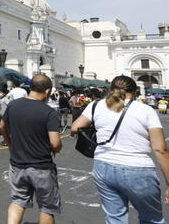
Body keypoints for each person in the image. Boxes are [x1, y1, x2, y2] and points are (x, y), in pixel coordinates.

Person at [71, 75, 169, 223]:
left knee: (115, 218)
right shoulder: (146, 110)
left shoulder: (96, 105)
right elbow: (160, 150)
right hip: (137, 168)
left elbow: (75, 127)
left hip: (103, 165)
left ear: (111, 90)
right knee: (152, 218)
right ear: (135, 91)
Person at [0, 74, 61, 224]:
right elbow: (55, 144)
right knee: (47, 207)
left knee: (18, 201)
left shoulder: (13, 105)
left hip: (17, 163)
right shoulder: (49, 112)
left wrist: (10, 144)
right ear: (47, 91)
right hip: (41, 166)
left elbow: (2, 126)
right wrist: (58, 147)